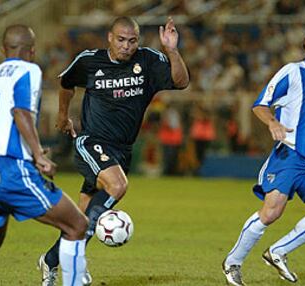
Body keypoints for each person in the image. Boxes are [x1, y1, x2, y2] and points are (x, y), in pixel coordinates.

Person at [38, 16, 189, 285]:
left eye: (132, 41)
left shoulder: (148, 60)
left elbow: (181, 82)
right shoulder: (89, 60)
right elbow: (65, 83)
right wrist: (63, 117)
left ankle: (52, 261)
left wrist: (172, 50)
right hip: (92, 141)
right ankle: (74, 262)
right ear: (109, 37)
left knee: (84, 218)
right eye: (121, 40)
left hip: (122, 150)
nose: (126, 46)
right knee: (118, 187)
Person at [0, 24, 88, 286]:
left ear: (4, 49)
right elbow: (20, 112)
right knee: (77, 226)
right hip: (9, 170)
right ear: (32, 51)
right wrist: (38, 154)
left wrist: (28, 149)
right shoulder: (29, 69)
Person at [222, 21, 305, 286]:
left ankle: (278, 251)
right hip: (290, 154)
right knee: (271, 212)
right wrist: (273, 122)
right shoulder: (292, 72)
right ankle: (233, 262)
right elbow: (260, 105)